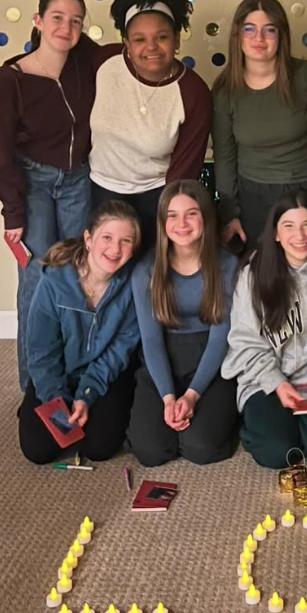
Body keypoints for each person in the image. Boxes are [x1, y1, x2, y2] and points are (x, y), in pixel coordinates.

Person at [0, 0, 95, 391]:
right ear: (38, 21)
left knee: (81, 275)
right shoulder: (11, 79)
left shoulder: (84, 63)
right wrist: (12, 213)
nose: (66, 27)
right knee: (37, 281)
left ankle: (76, 379)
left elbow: (125, 51)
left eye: (76, 20)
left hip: (77, 181)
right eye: (57, 18)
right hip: (33, 185)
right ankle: (34, 389)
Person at [221, 190, 307, 468]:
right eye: (289, 226)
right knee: (279, 453)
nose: (300, 235)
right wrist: (277, 382)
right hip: (266, 376)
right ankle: (265, 421)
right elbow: (246, 341)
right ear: (275, 234)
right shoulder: (254, 274)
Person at [90, 0, 212, 251]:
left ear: (177, 40)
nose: (151, 47)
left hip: (155, 198)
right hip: (97, 191)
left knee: (147, 278)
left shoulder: (193, 93)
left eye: (162, 37)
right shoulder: (103, 62)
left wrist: (169, 216)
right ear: (126, 43)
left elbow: (185, 170)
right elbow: (53, 55)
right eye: (139, 39)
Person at [17, 200, 141, 464]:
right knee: (38, 450)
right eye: (107, 237)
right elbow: (40, 352)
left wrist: (86, 395)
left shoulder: (134, 285)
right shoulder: (53, 282)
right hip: (58, 372)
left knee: (99, 448)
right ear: (88, 238)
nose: (115, 249)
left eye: (126, 241)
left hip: (103, 374)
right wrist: (57, 399)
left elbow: (118, 352)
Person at [127, 181, 239, 466]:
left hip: (211, 359)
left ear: (205, 217)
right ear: (162, 222)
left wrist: (190, 396)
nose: (182, 223)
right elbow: (151, 341)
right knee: (150, 451)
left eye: (191, 213)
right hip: (165, 355)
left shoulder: (227, 265)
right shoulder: (146, 271)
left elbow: (220, 339)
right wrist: (168, 398)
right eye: (172, 215)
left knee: (200, 448)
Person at [211, 0, 307, 247]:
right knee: (263, 273)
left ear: (282, 36)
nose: (259, 39)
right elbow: (224, 156)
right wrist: (230, 213)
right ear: (238, 35)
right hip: (252, 195)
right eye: (250, 29)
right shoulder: (225, 89)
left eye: (269, 30)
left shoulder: (306, 76)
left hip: (306, 187)